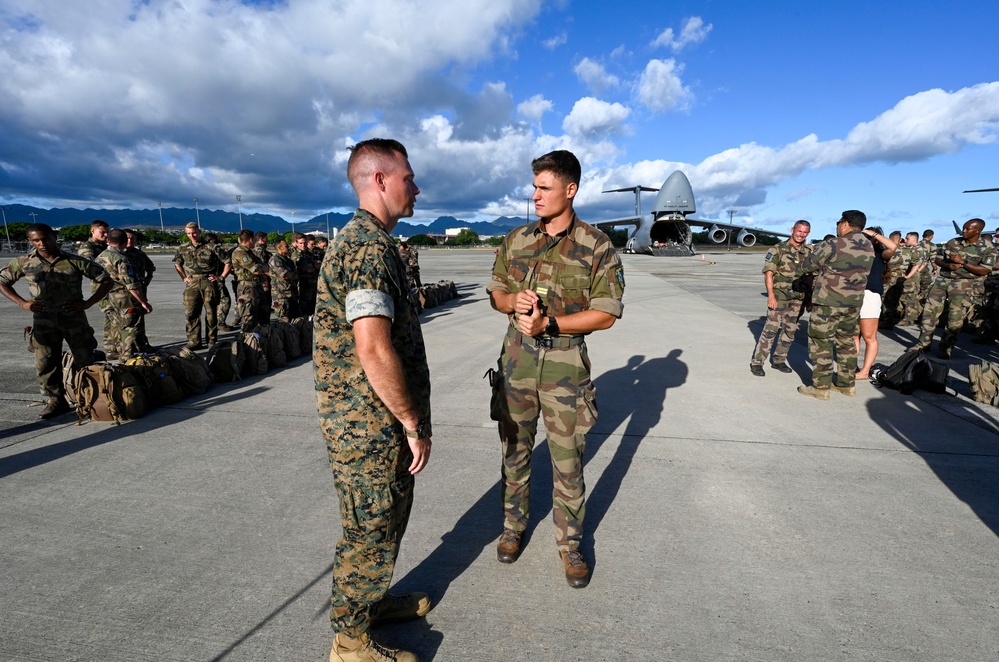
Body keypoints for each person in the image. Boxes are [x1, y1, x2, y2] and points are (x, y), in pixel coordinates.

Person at [313, 138, 433, 662]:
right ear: (380, 180)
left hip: (364, 418)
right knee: (371, 524)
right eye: (409, 176)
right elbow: (372, 344)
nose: (417, 186)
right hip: (369, 423)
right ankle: (350, 643)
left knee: (380, 521)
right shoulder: (368, 249)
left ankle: (368, 602)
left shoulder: (367, 242)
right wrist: (410, 420)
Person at [486, 149, 625, 588]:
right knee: (515, 456)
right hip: (516, 366)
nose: (535, 196)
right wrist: (515, 303)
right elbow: (496, 293)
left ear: (570, 190)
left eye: (544, 188)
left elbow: (606, 312)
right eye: (534, 187)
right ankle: (513, 528)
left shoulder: (596, 245)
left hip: (566, 373)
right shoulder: (516, 239)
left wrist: (552, 323)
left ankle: (570, 545)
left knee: (568, 465)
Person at [0, 224, 113, 418]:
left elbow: (106, 280)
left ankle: (87, 398)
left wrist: (88, 303)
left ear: (54, 237)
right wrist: (22, 303)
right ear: (30, 241)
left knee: (84, 359)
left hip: (74, 319)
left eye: (46, 238)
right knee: (45, 363)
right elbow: (2, 281)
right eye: (36, 240)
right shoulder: (23, 262)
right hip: (43, 321)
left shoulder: (74, 261)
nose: (42, 243)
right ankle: (55, 400)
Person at [794, 210, 875, 399]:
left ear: (845, 224)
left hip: (829, 301)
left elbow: (808, 266)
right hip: (853, 303)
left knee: (821, 342)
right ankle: (846, 384)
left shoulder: (834, 243)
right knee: (846, 342)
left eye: (839, 222)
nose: (838, 226)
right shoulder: (868, 246)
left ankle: (821, 387)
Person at [915, 218, 997, 359]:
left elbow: (984, 270)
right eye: (964, 228)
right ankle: (923, 344)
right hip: (942, 281)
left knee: (955, 318)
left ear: (978, 231)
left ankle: (945, 348)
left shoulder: (988, 248)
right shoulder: (953, 242)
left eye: (967, 229)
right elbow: (938, 258)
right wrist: (948, 265)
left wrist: (963, 262)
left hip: (964, 284)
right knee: (929, 313)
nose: (963, 231)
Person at [749, 220, 812, 376]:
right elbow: (768, 273)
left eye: (805, 232)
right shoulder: (778, 249)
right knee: (771, 330)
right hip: (780, 296)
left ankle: (779, 360)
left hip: (798, 298)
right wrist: (771, 295)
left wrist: (809, 298)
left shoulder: (809, 252)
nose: (801, 235)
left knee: (789, 331)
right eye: (799, 231)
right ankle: (757, 362)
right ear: (792, 230)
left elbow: (811, 276)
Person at [96, 228, 153, 361]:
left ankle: (119, 352)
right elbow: (131, 284)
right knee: (128, 329)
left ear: (108, 240)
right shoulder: (121, 259)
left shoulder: (101, 256)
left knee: (117, 326)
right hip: (123, 299)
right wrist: (144, 302)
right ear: (124, 241)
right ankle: (127, 359)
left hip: (107, 296)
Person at [173, 222, 230, 350]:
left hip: (208, 281)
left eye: (194, 232)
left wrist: (221, 277)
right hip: (192, 282)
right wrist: (184, 277)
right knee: (191, 312)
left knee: (211, 313)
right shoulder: (183, 248)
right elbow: (177, 263)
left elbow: (227, 262)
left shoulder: (211, 247)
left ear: (199, 232)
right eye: (188, 233)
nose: (191, 235)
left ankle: (211, 340)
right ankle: (194, 341)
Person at [854, 227, 897, 380]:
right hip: (854, 295)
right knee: (854, 335)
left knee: (869, 336)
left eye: (868, 236)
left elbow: (892, 247)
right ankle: (851, 367)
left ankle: (865, 371)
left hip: (869, 296)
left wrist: (873, 234)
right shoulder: (857, 253)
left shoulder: (880, 255)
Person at [76, 219, 115, 356]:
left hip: (113, 286)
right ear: (93, 231)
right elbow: (91, 266)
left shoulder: (106, 246)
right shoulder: (87, 247)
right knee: (111, 315)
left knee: (115, 315)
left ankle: (115, 346)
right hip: (101, 287)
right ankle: (111, 348)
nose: (106, 235)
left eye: (107, 232)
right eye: (102, 232)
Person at [230, 229, 268, 331]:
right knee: (249, 316)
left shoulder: (249, 253)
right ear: (251, 240)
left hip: (256, 285)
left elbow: (264, 266)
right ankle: (246, 341)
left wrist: (262, 267)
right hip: (248, 287)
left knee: (262, 315)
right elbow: (256, 270)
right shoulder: (240, 253)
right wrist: (262, 267)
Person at [125, 229, 156, 353]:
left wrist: (147, 281)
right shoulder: (119, 255)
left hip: (139, 291)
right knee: (127, 322)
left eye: (132, 238)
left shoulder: (139, 254)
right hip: (125, 294)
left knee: (139, 320)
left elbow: (151, 267)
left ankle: (141, 345)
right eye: (127, 238)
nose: (130, 241)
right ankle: (126, 348)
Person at [897, 232, 928, 325]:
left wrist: (910, 275)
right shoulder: (916, 249)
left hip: (911, 276)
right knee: (907, 296)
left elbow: (918, 264)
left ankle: (909, 319)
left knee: (910, 298)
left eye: (907, 239)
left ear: (914, 239)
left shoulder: (917, 250)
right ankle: (907, 316)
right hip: (912, 275)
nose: (905, 240)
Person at [268, 238, 299, 322]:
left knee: (296, 319)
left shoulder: (289, 261)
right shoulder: (275, 260)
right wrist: (291, 275)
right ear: (280, 248)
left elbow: (296, 274)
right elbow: (285, 275)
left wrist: (292, 275)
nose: (288, 247)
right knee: (284, 319)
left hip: (292, 292)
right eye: (286, 246)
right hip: (281, 294)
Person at [294, 232, 320, 315]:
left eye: (305, 243)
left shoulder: (309, 254)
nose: (303, 245)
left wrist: (314, 266)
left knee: (313, 308)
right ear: (297, 243)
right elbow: (307, 269)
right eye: (300, 243)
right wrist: (313, 266)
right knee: (304, 310)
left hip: (312, 285)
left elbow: (317, 266)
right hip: (302, 286)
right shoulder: (295, 255)